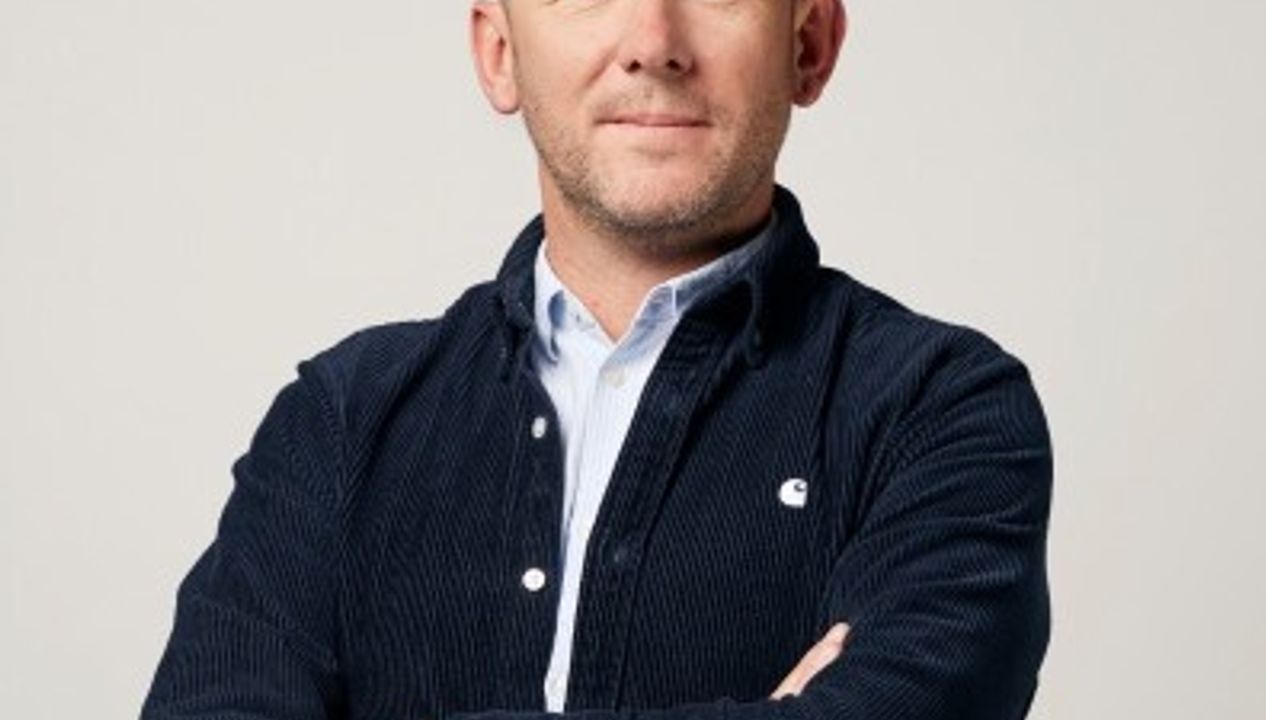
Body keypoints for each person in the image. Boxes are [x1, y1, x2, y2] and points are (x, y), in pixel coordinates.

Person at [142, 0, 1053, 718]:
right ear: (500, 52)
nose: (653, 43)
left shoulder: (940, 411)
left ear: (808, 44)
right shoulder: (341, 420)